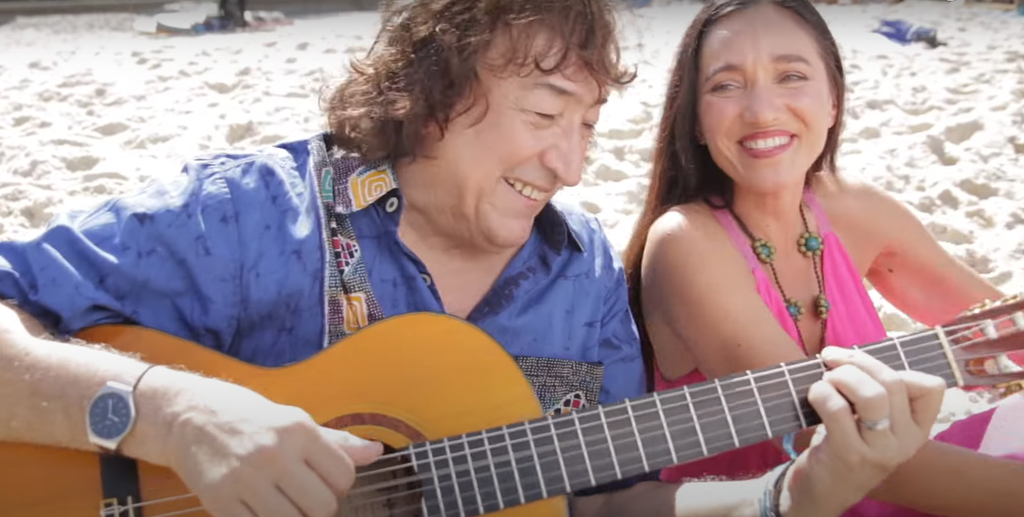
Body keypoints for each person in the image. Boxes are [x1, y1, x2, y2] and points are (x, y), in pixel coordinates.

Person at [0, 1, 946, 517]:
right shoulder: (251, 215)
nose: (569, 162)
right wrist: (173, 412)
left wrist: (792, 494)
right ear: (433, 95)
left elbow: (603, 503)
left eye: (586, 126)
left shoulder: (577, 279)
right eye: (543, 116)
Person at [622, 0, 1024, 516]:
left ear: (834, 101)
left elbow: (1003, 334)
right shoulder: (685, 243)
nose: (762, 110)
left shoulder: (852, 208)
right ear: (695, 120)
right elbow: (848, 455)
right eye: (725, 85)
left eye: (790, 75)